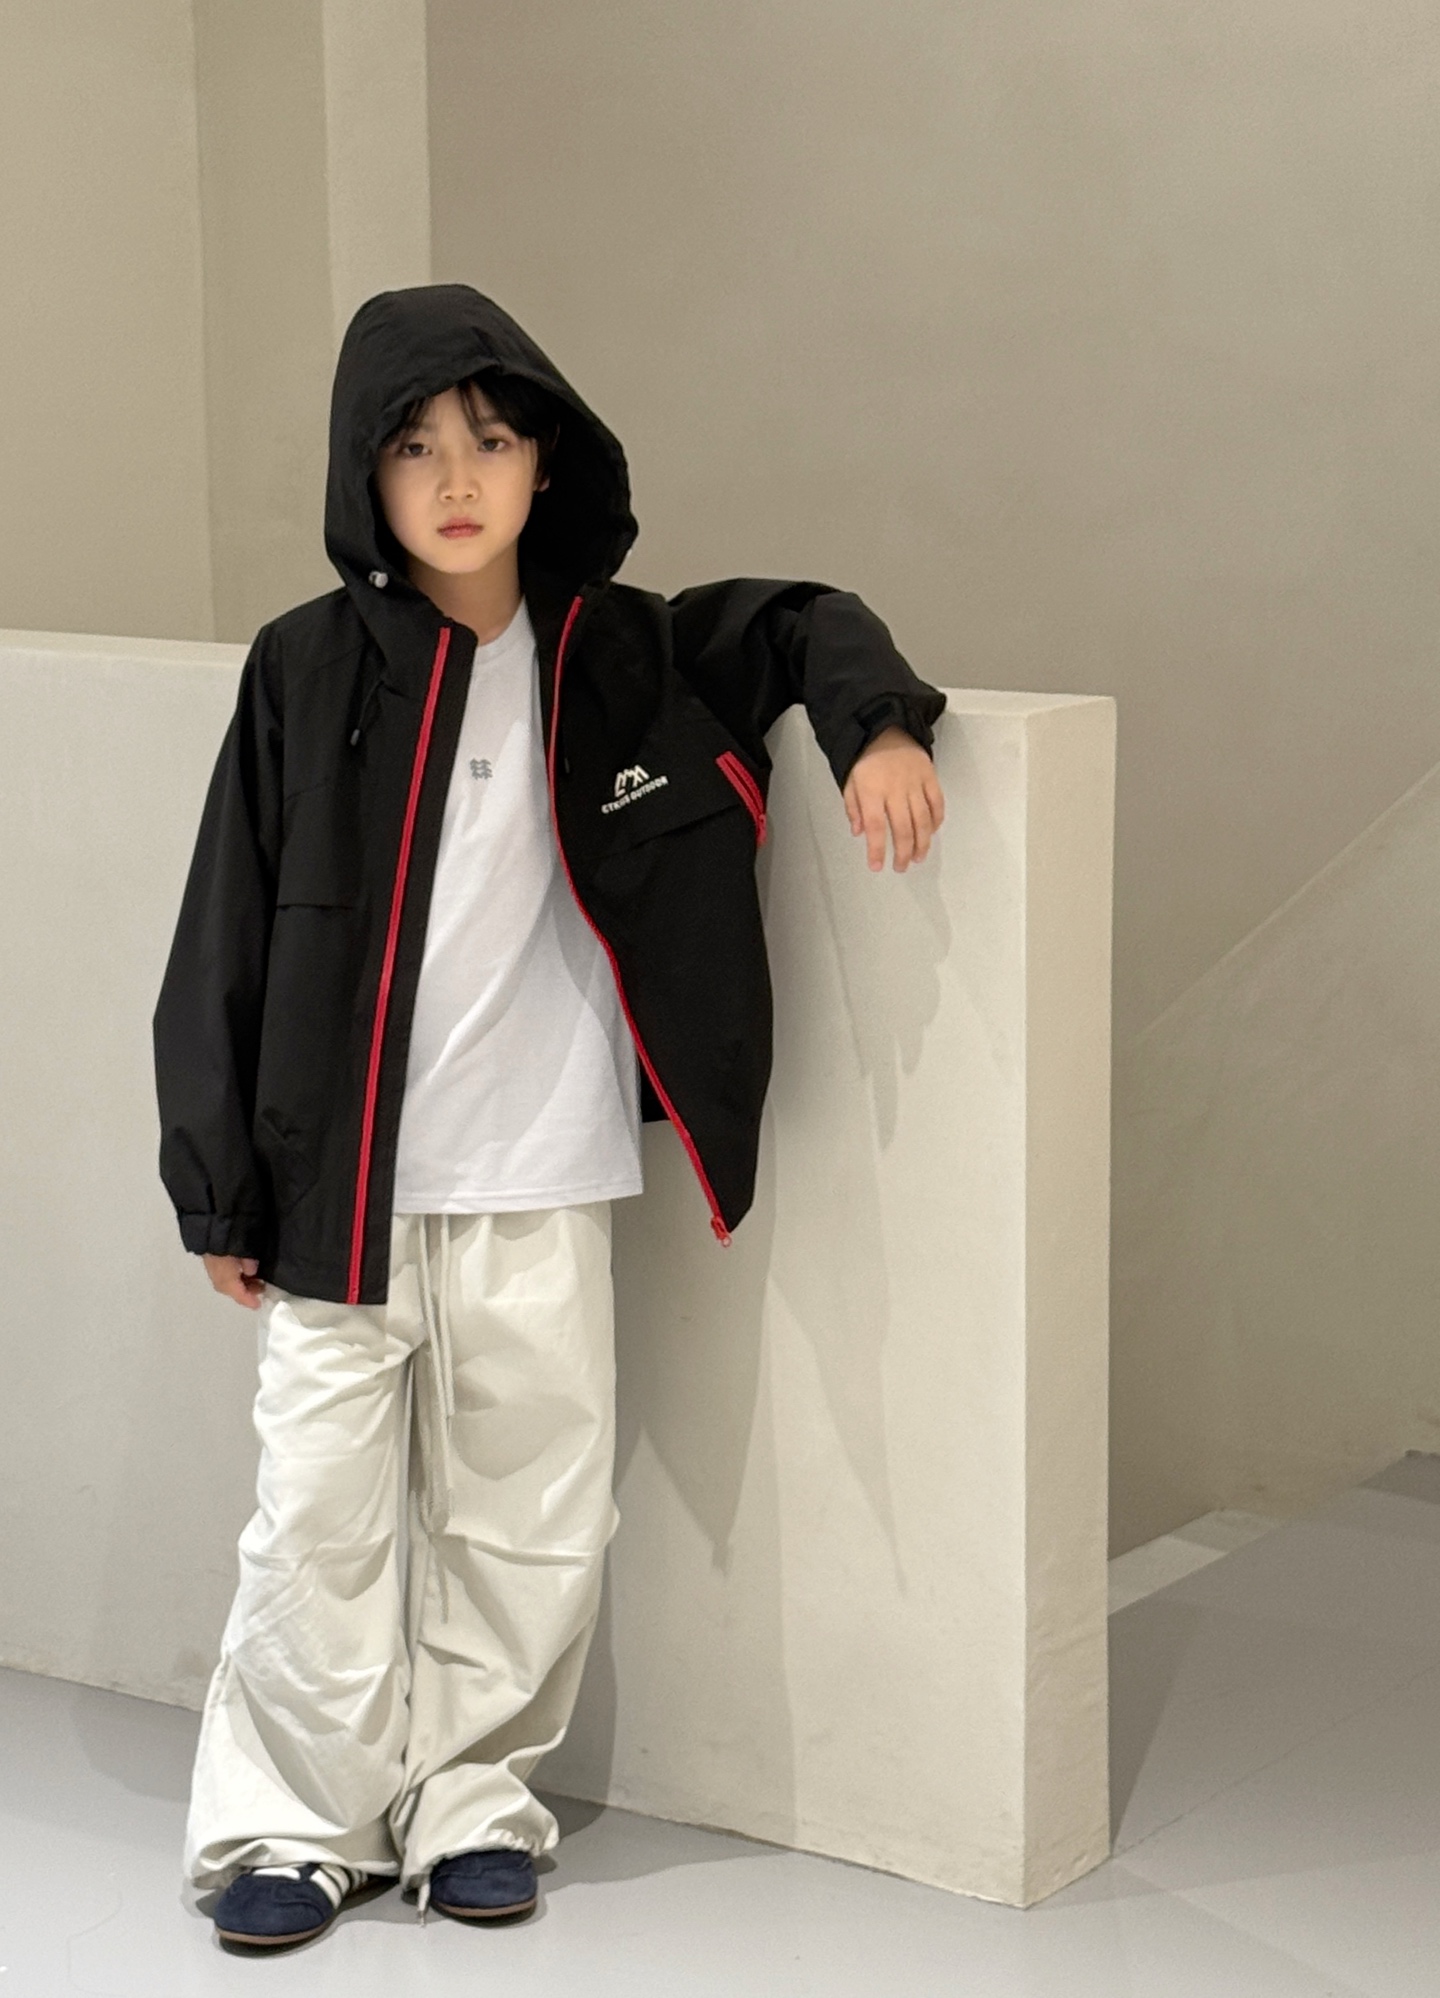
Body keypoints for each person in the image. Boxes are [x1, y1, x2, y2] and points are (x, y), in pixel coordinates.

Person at [153, 283, 946, 1953]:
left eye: (492, 439)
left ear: (544, 459)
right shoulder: (304, 666)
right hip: (338, 1184)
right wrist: (216, 1183)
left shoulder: (621, 654)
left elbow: (802, 619)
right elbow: (225, 921)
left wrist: (876, 720)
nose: (457, 478)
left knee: (528, 1510)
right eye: (415, 447)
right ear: (363, 476)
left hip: (540, 1168)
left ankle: (471, 1803)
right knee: (317, 1517)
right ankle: (292, 1823)